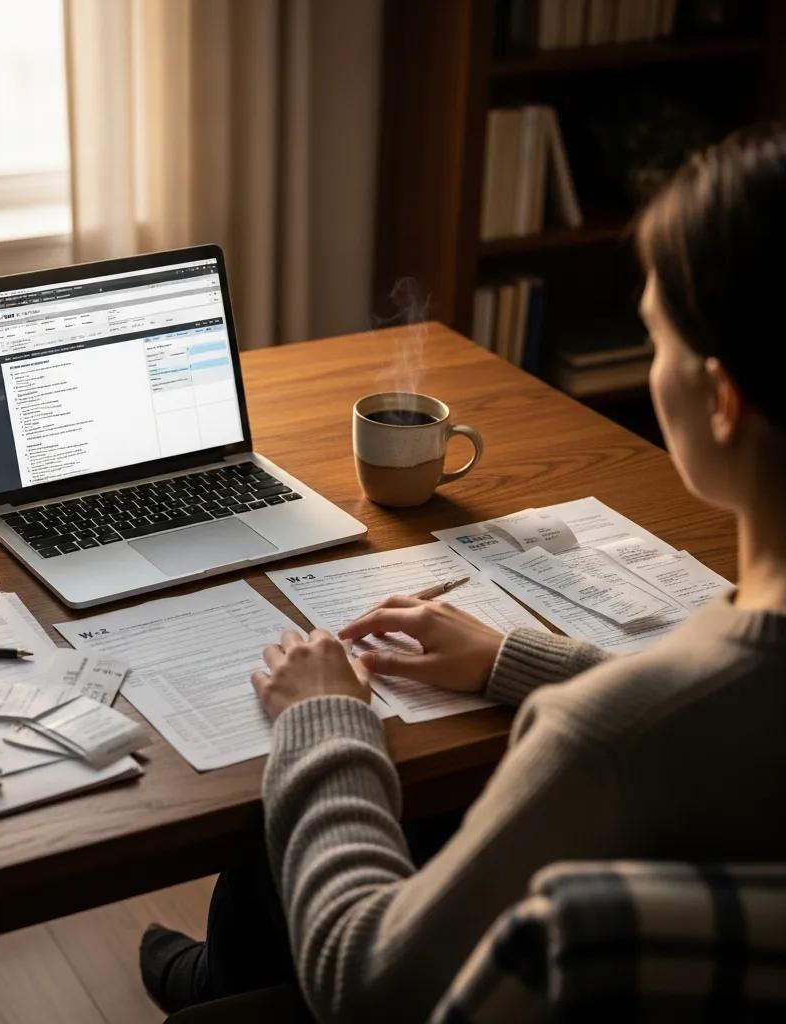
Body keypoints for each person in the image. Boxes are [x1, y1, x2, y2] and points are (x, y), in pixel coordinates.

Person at [140, 124, 786, 1023]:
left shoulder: (595, 746)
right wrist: (516, 660)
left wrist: (327, 723)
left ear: (722, 400)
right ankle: (230, 968)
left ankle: (226, 986)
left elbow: (366, 981)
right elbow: (726, 719)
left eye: (656, 339)